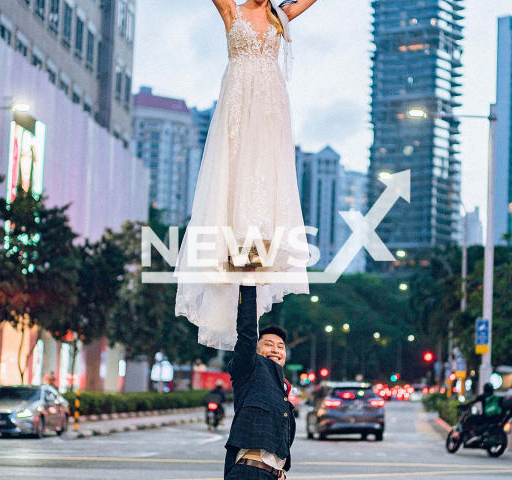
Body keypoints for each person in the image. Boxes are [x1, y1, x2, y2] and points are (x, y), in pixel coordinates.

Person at [174, 0, 320, 352]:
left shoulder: (281, 15)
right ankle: (233, 254)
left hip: (270, 104)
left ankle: (255, 255)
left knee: (265, 177)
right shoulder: (231, 10)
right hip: (238, 101)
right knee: (233, 173)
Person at [224, 283, 296, 479]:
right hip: (250, 472)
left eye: (280, 346)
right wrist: (248, 284)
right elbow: (246, 334)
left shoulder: (281, 388)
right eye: (268, 344)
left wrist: (279, 472)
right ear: (255, 350)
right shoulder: (250, 369)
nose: (276, 350)